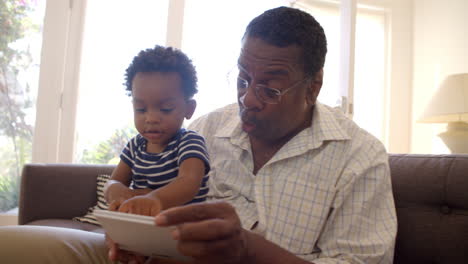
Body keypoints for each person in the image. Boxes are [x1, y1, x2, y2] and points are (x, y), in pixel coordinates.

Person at [0, 6, 397, 264]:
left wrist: (246, 251)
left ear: (313, 87)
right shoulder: (207, 128)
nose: (248, 98)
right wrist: (135, 240)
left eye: (270, 88)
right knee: (17, 247)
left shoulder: (358, 156)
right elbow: (152, 201)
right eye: (242, 78)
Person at [104, 45, 210, 217]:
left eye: (166, 109)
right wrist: (115, 189)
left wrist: (154, 199)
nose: (151, 118)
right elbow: (114, 181)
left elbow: (189, 183)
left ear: (188, 109)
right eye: (141, 109)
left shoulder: (189, 142)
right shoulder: (135, 146)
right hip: (142, 229)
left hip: (182, 228)